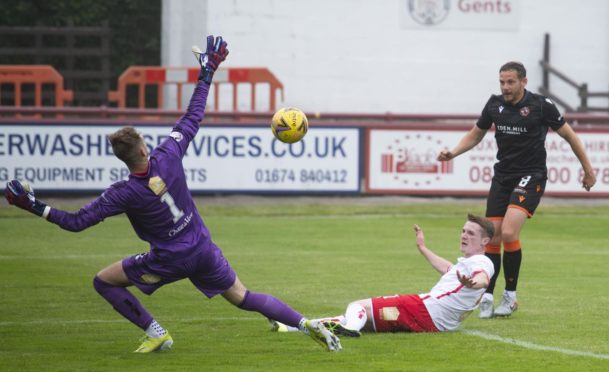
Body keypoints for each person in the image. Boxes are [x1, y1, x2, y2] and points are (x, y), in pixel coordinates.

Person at [4, 35, 341, 353]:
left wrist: (31, 204)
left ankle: (156, 333)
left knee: (103, 281)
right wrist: (208, 71)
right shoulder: (168, 154)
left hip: (168, 259)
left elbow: (75, 222)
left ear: (124, 158)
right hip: (202, 246)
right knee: (242, 295)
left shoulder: (121, 193)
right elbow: (194, 114)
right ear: (143, 146)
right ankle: (304, 322)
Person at [437, 61, 596, 318]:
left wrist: (588, 170)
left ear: (524, 81)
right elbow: (475, 134)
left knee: (509, 231)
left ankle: (510, 296)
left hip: (531, 175)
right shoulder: (494, 105)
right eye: (502, 82)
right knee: (493, 236)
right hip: (502, 177)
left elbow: (570, 136)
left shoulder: (542, 106)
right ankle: (487, 294)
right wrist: (452, 152)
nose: (505, 87)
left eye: (510, 82)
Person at [270, 214, 495, 335]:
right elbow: (448, 269)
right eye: (463, 231)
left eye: (471, 233)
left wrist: (475, 283)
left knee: (358, 306)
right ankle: (289, 326)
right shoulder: (465, 264)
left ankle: (348, 331)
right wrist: (423, 248)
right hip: (429, 319)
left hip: (423, 309)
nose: (464, 235)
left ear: (485, 241)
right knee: (360, 317)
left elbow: (483, 279)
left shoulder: (482, 262)